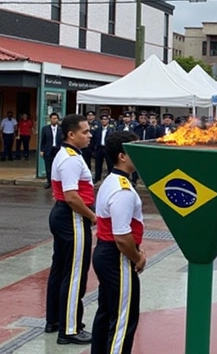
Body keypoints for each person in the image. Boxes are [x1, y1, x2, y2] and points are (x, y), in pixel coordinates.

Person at [91, 131, 145, 354]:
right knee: (123, 319)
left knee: (107, 312)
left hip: (107, 254)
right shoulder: (122, 190)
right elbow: (122, 237)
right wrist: (138, 257)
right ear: (122, 156)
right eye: (134, 150)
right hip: (117, 256)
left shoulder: (111, 181)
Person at [45, 114, 94, 345]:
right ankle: (71, 328)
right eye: (85, 132)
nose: (89, 135)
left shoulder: (67, 155)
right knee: (75, 273)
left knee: (60, 269)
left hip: (63, 215)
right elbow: (72, 197)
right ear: (71, 135)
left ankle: (55, 319)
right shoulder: (71, 159)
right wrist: (93, 217)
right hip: (72, 217)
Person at [40, 113, 63, 189]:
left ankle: (57, 182)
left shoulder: (61, 128)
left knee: (58, 167)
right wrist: (42, 150)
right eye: (53, 118)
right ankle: (49, 181)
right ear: (50, 119)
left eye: (56, 118)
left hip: (58, 150)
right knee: (48, 166)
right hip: (48, 150)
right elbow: (43, 140)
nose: (54, 120)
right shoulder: (45, 129)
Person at [93, 115, 115, 183]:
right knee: (98, 164)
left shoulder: (111, 129)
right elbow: (94, 139)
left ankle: (110, 178)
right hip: (99, 148)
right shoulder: (98, 129)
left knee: (110, 164)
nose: (103, 121)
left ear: (108, 120)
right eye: (102, 119)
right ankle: (97, 177)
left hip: (107, 148)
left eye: (105, 119)